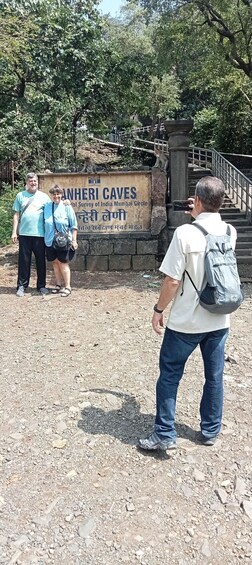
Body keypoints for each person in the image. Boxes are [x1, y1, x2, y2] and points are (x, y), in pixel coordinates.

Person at [138, 176, 237, 451]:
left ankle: (164, 433)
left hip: (186, 322)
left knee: (170, 374)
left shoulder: (184, 233)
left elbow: (172, 280)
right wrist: (202, 212)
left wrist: (158, 310)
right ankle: (210, 431)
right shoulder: (230, 232)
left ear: (199, 200)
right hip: (219, 317)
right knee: (214, 376)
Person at [12, 172, 50, 297]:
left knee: (40, 261)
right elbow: (16, 215)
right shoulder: (20, 196)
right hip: (24, 233)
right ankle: (22, 286)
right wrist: (14, 232)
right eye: (30, 181)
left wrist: (65, 204)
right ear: (26, 183)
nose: (33, 183)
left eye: (35, 181)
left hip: (40, 234)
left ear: (37, 182)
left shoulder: (44, 197)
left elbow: (52, 210)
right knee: (24, 261)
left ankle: (41, 286)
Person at [44, 184, 78, 297]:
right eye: (54, 194)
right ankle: (58, 285)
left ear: (61, 194)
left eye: (58, 194)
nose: (56, 196)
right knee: (55, 263)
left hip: (64, 241)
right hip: (49, 240)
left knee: (63, 263)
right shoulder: (47, 207)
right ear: (51, 195)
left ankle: (67, 286)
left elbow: (74, 226)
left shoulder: (67, 207)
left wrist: (74, 240)